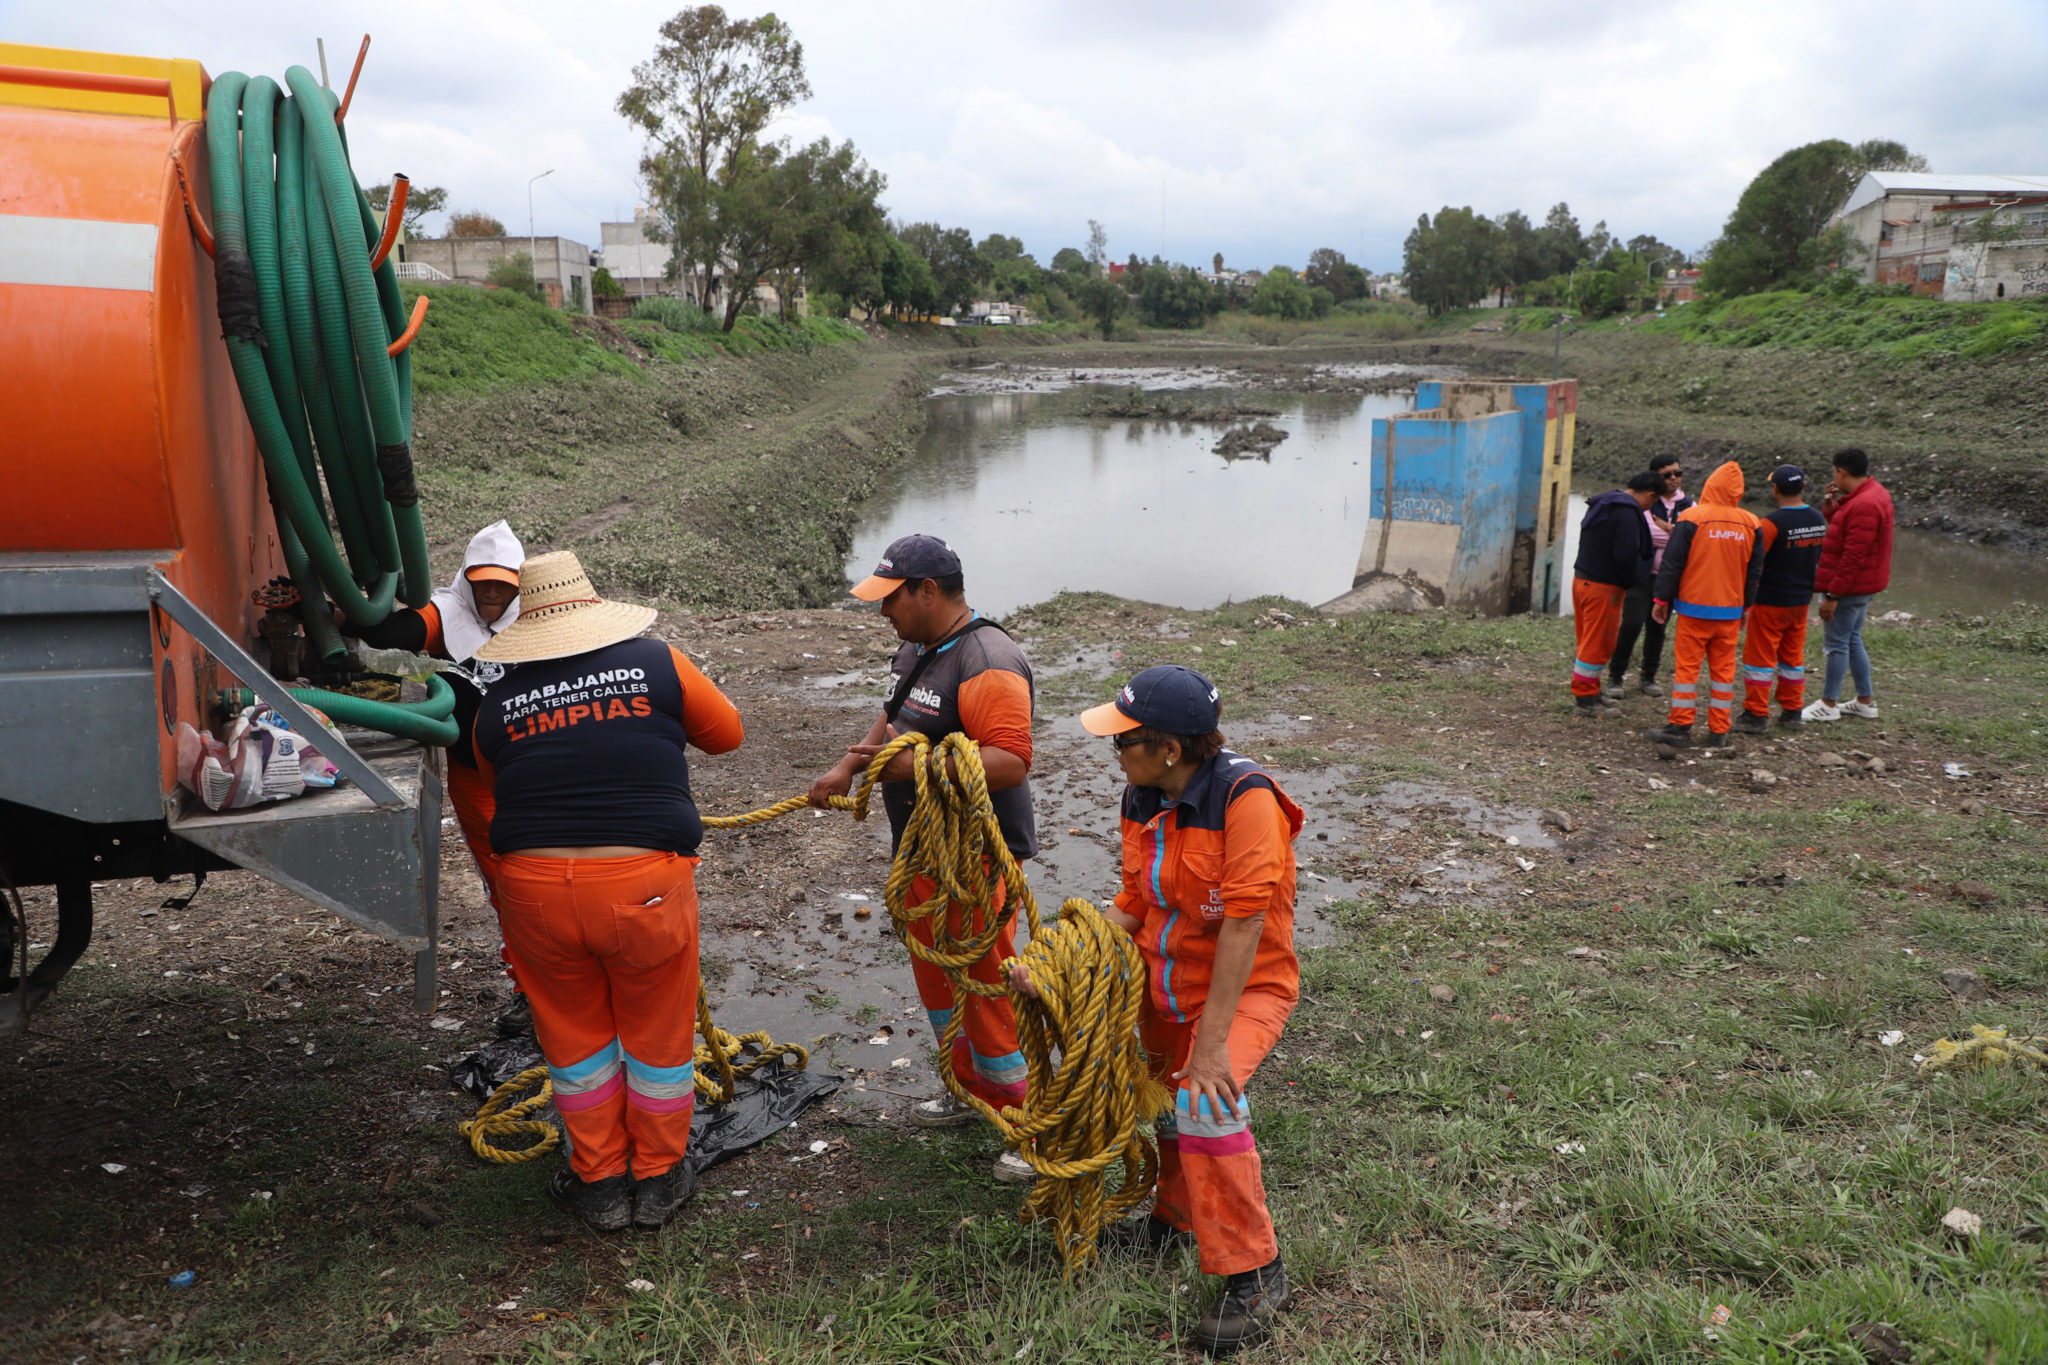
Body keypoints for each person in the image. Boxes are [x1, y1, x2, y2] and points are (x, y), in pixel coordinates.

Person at [1011, 666, 1302, 1356]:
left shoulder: (1245, 800)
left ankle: (1256, 1270)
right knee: (1167, 1104)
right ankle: (1170, 1220)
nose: (1114, 752)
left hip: (1244, 989)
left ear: (1170, 748)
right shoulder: (1142, 798)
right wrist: (1052, 966)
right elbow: (1137, 901)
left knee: (1204, 1099)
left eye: (1124, 741)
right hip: (1165, 987)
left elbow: (1243, 927)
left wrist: (1210, 1044)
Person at [470, 550, 744, 1233]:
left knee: (574, 1039)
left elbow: (493, 772)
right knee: (655, 1035)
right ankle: (655, 1179)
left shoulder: (496, 699)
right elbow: (728, 734)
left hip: (532, 895)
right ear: (596, 611)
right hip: (643, 884)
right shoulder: (659, 663)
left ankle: (597, 1183)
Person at [807, 534, 1038, 1184]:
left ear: (928, 592)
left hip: (974, 858)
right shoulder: (916, 649)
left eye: (891, 598)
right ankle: (970, 1092)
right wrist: (850, 764)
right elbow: (892, 715)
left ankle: (1026, 1118)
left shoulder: (989, 659)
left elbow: (1012, 761)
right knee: (940, 984)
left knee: (987, 987)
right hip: (921, 852)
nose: (882, 611)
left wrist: (913, 764)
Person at [348, 519, 531, 1034]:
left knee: (558, 874)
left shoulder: (539, 618)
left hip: (536, 770)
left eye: (504, 584)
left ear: (520, 584)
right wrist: (344, 607)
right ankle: (531, 988)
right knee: (506, 882)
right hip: (476, 776)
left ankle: (575, 982)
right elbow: (388, 632)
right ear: (467, 579)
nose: (493, 593)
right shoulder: (446, 614)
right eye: (483, 581)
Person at [1643, 461, 1764, 749]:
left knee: (1687, 670)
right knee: (1723, 673)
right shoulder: (1752, 523)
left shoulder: (1692, 518)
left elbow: (1672, 564)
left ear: (1711, 486)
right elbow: (1754, 573)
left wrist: (1661, 599)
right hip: (1730, 613)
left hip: (1693, 609)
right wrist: (1747, 608)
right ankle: (1719, 731)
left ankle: (1680, 727)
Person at [1803, 447, 1894, 722]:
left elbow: (1853, 556)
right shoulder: (1872, 494)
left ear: (1841, 471)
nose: (1835, 476)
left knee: (1837, 644)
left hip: (1852, 587)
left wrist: (1833, 594)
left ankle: (1828, 703)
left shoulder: (1864, 504)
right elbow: (1850, 529)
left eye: (1835, 472)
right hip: (1866, 585)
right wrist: (1833, 508)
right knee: (1853, 639)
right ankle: (1864, 700)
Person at [1735, 466, 1827, 733]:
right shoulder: (1818, 519)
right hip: (1801, 601)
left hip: (1770, 600)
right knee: (1792, 658)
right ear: (1804, 487)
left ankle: (1755, 714)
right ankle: (1792, 711)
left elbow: (1754, 563)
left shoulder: (1771, 524)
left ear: (1774, 489)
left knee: (1759, 660)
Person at [1568, 472, 1661, 718]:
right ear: (1650, 495)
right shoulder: (1627, 513)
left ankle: (1591, 690)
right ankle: (1585, 700)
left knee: (1587, 639)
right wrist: (1632, 581)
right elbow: (1625, 554)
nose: (1649, 509)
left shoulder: (1604, 503)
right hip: (1603, 587)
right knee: (1598, 642)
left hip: (1582, 580)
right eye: (1652, 503)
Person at [1608, 455, 1695, 698]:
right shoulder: (1645, 503)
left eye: (1678, 473)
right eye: (1667, 475)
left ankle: (1649, 676)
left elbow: (1694, 540)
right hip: (1641, 576)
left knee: (1658, 627)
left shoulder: (1689, 504)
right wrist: (1677, 534)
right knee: (1631, 624)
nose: (1674, 479)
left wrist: (1667, 529)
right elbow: (1645, 535)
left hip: (1668, 578)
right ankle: (1615, 677)